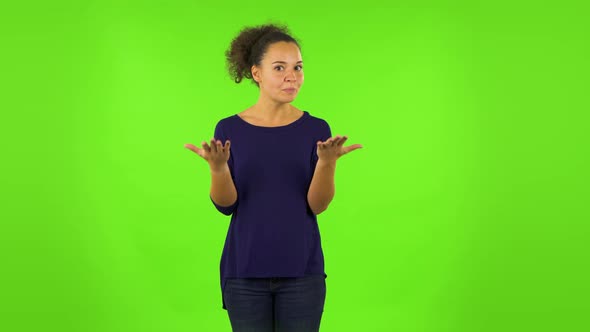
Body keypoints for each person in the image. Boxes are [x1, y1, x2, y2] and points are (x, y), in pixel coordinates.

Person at [184, 23, 362, 332]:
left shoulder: (316, 129)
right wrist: (218, 169)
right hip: (244, 273)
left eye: (298, 67)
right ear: (256, 73)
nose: (291, 76)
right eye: (279, 67)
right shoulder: (229, 129)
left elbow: (317, 205)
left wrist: (327, 164)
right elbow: (227, 205)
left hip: (302, 273)